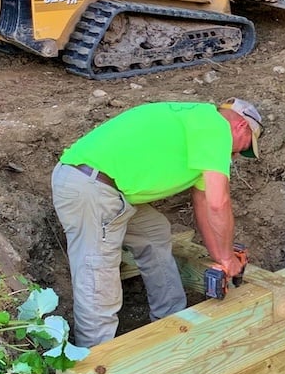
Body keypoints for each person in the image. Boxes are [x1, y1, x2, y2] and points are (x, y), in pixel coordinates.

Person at [51, 98, 263, 347]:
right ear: (241, 127)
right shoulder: (216, 127)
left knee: (154, 232)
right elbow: (219, 203)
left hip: (110, 189)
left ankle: (172, 322)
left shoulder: (200, 125)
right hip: (90, 187)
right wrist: (229, 260)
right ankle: (95, 366)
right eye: (243, 148)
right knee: (98, 275)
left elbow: (204, 202)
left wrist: (221, 257)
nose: (236, 156)